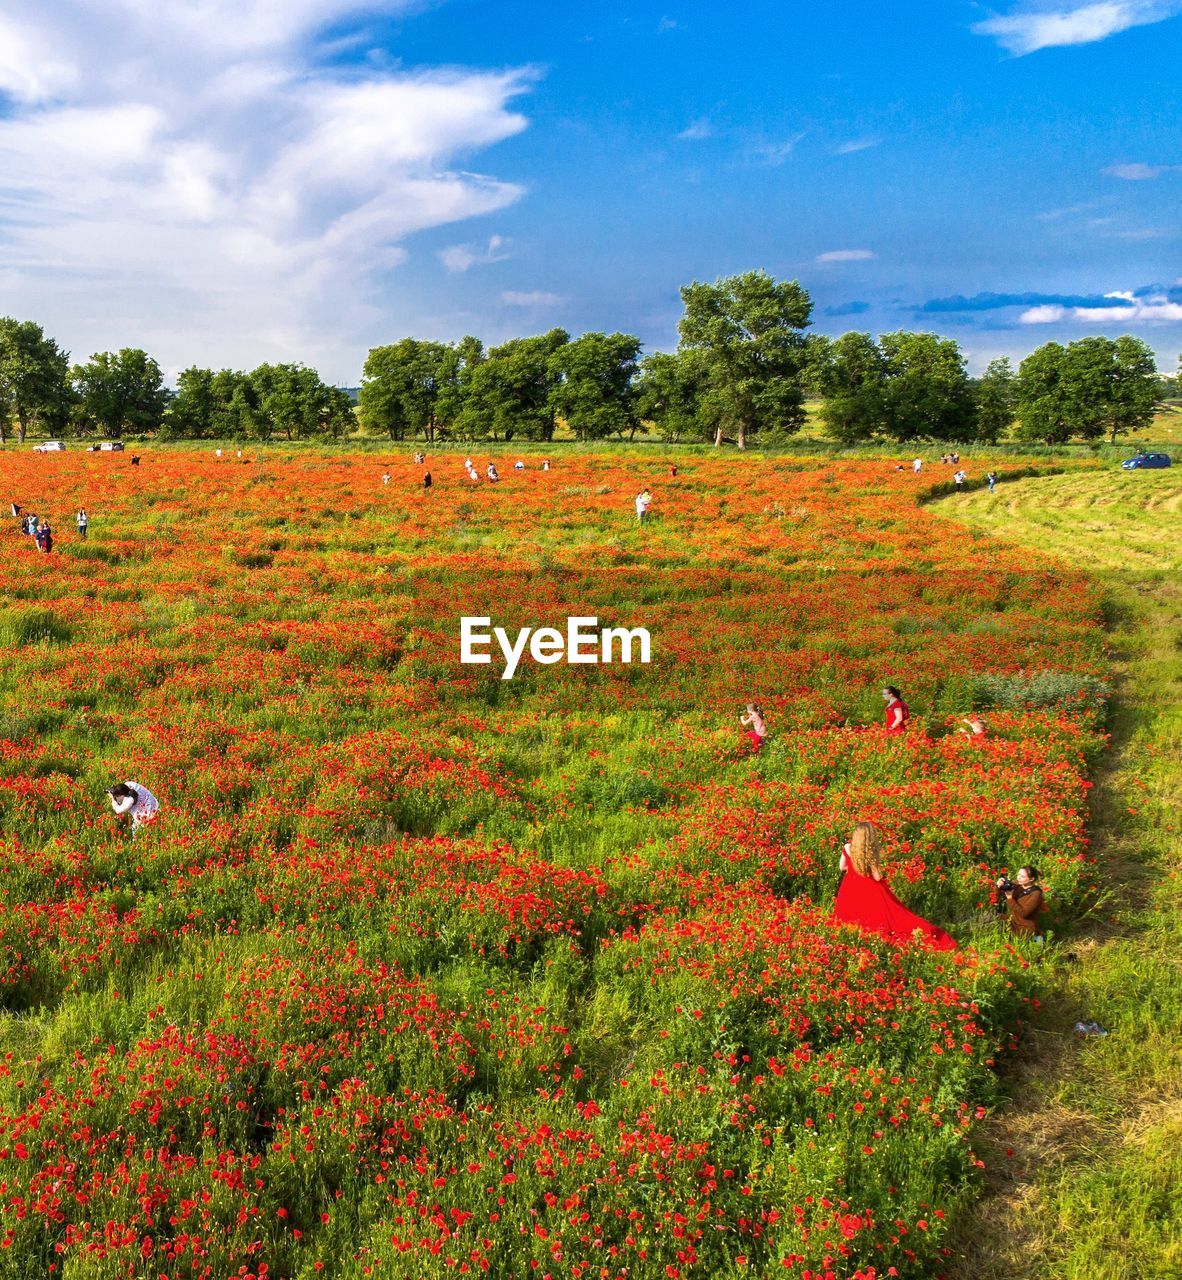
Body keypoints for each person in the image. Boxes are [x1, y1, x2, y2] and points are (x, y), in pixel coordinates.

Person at [832, 822, 956, 950]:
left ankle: (852, 938)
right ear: (870, 837)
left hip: (850, 887)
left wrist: (853, 868)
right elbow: (877, 877)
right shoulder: (870, 853)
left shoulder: (847, 847)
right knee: (894, 917)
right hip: (870, 889)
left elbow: (842, 867)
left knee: (853, 915)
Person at [997, 866, 1045, 940]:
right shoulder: (1018, 885)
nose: (1018, 878)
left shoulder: (1036, 894)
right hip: (1012, 920)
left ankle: (1035, 938)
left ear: (1031, 879)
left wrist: (1010, 899)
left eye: (1022, 876)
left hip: (1024, 927)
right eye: (1018, 875)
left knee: (996, 925)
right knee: (988, 918)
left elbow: (1024, 913)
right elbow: (997, 895)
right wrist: (999, 885)